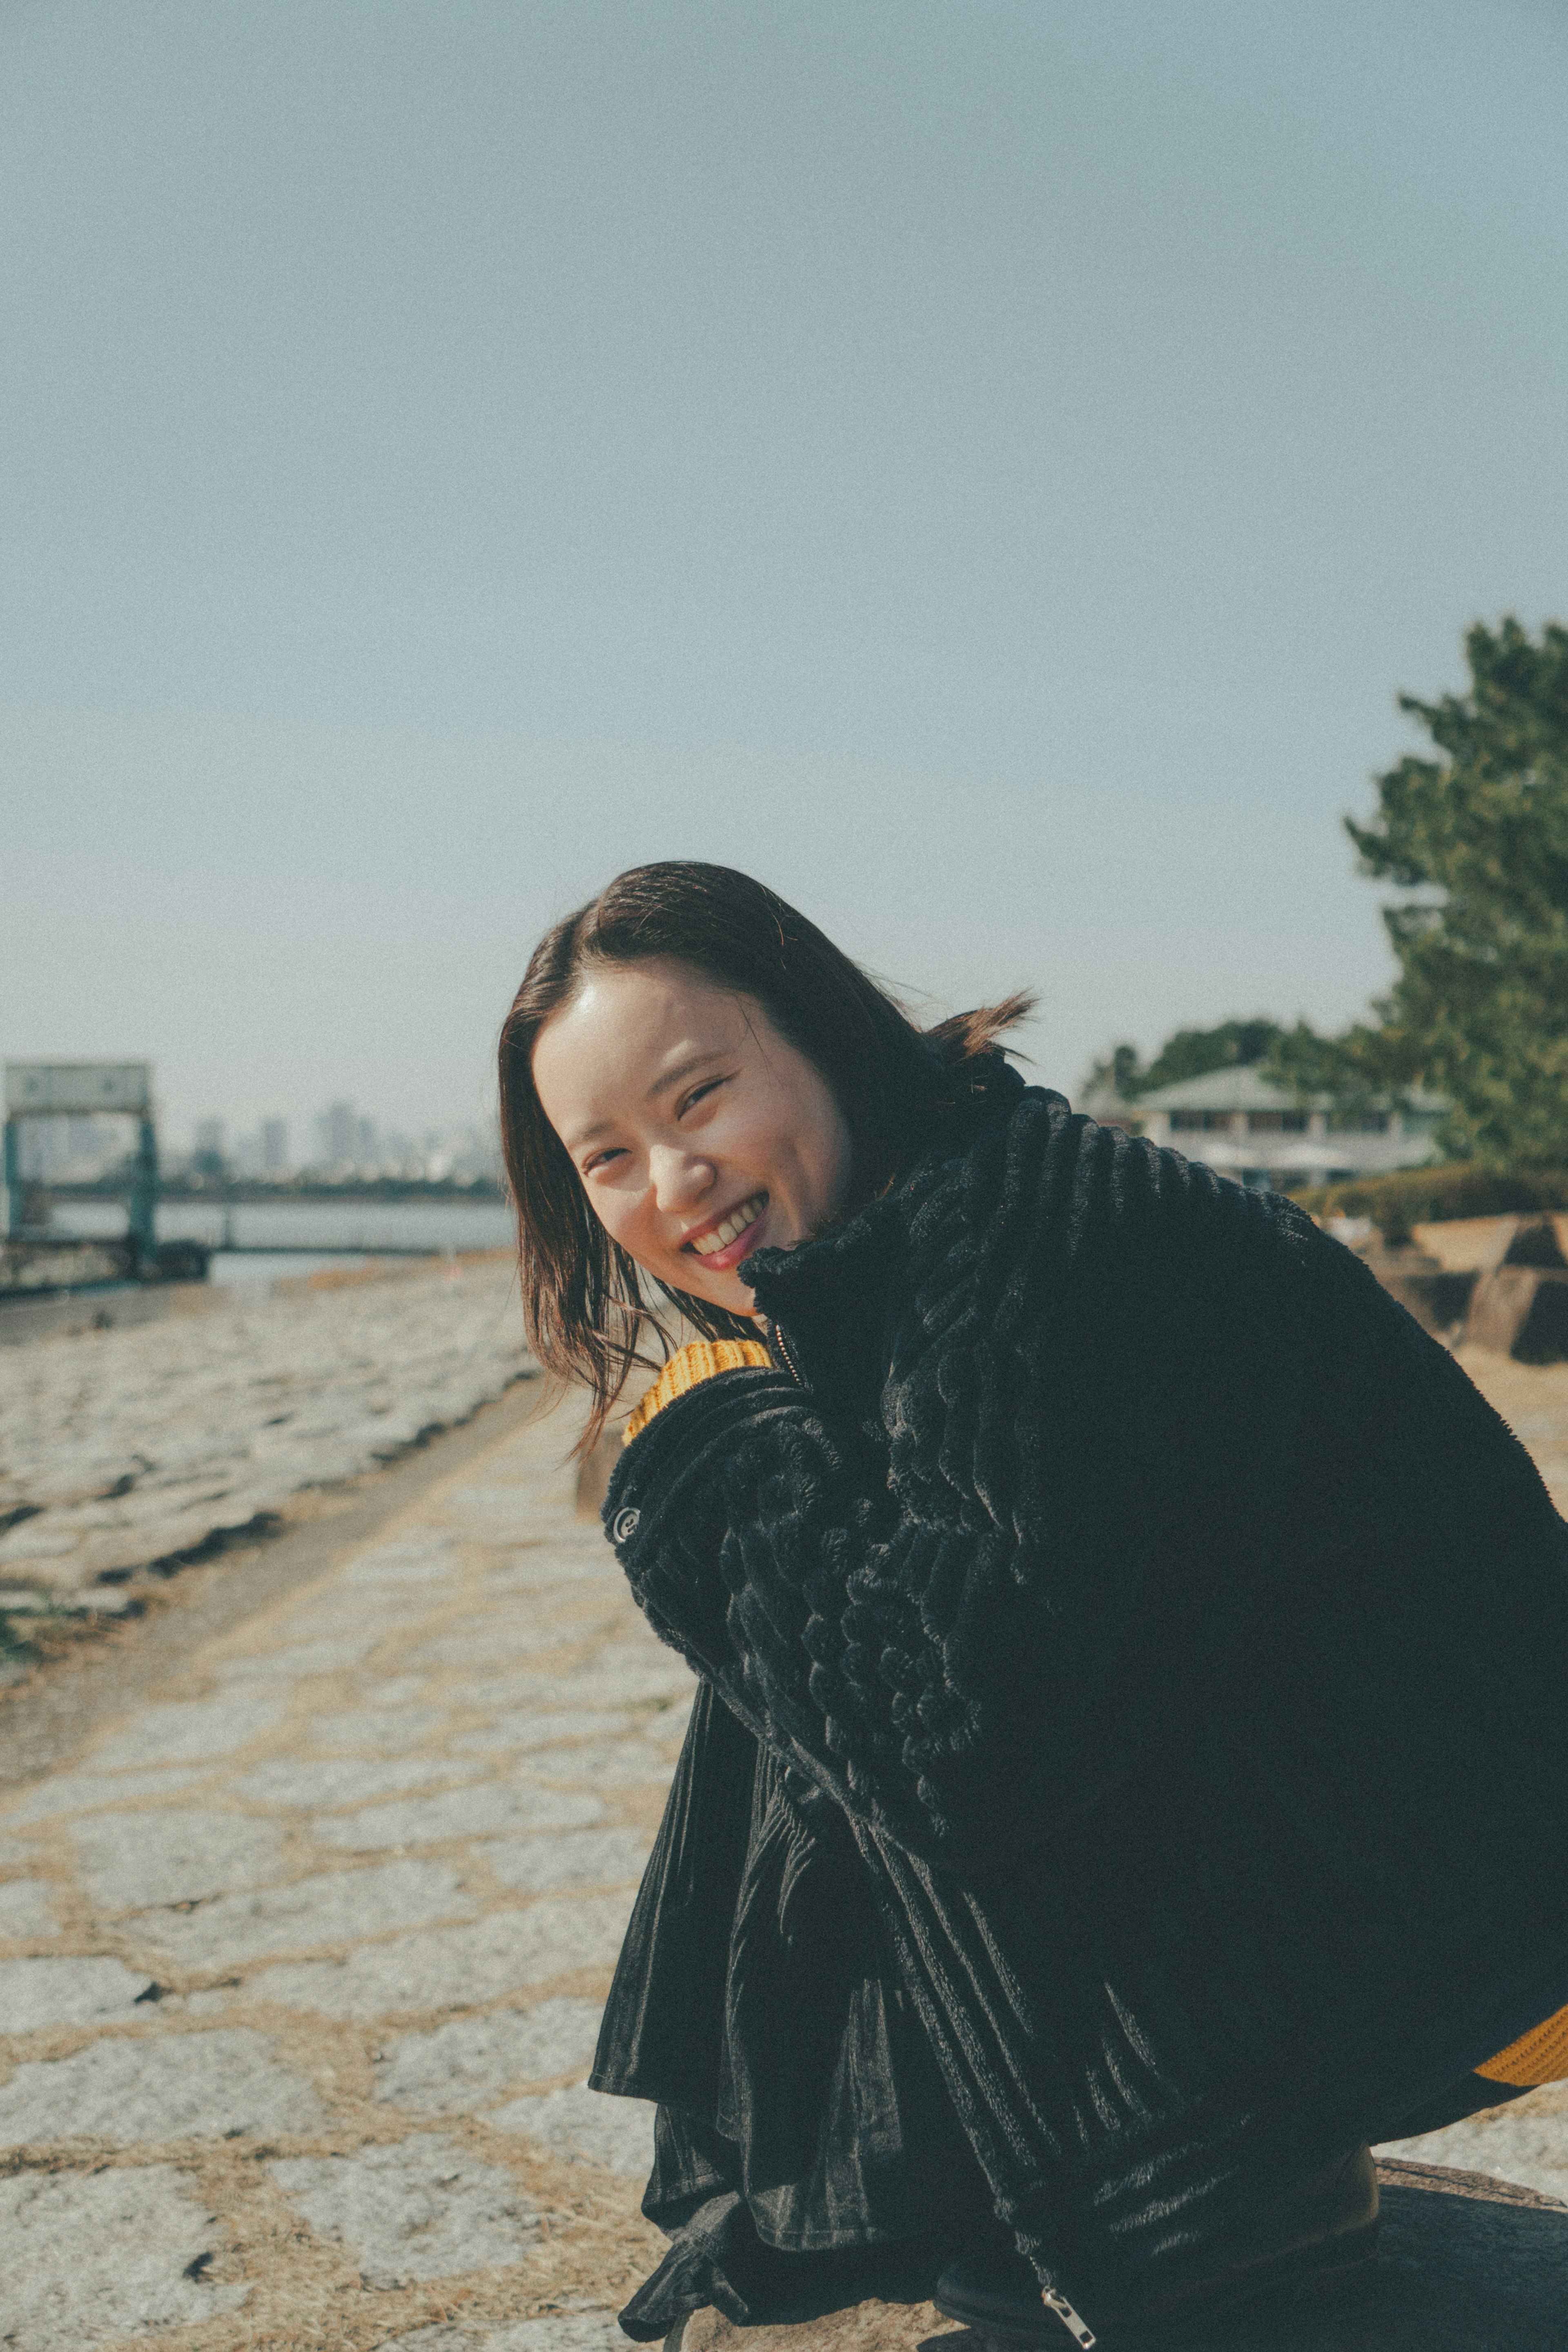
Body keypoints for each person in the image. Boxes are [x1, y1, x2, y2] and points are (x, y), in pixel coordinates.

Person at [499, 861, 1568, 2346]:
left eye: (699, 1100)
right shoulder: (933, 1222)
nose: (671, 1186)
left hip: (1485, 1913)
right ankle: (1055, 2176)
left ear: (823, 1035)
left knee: (805, 1554)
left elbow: (961, 1751)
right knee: (804, 1568)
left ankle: (1225, 2203)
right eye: (605, 1158)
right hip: (1418, 1862)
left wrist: (708, 1459)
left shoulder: (1025, 1247)